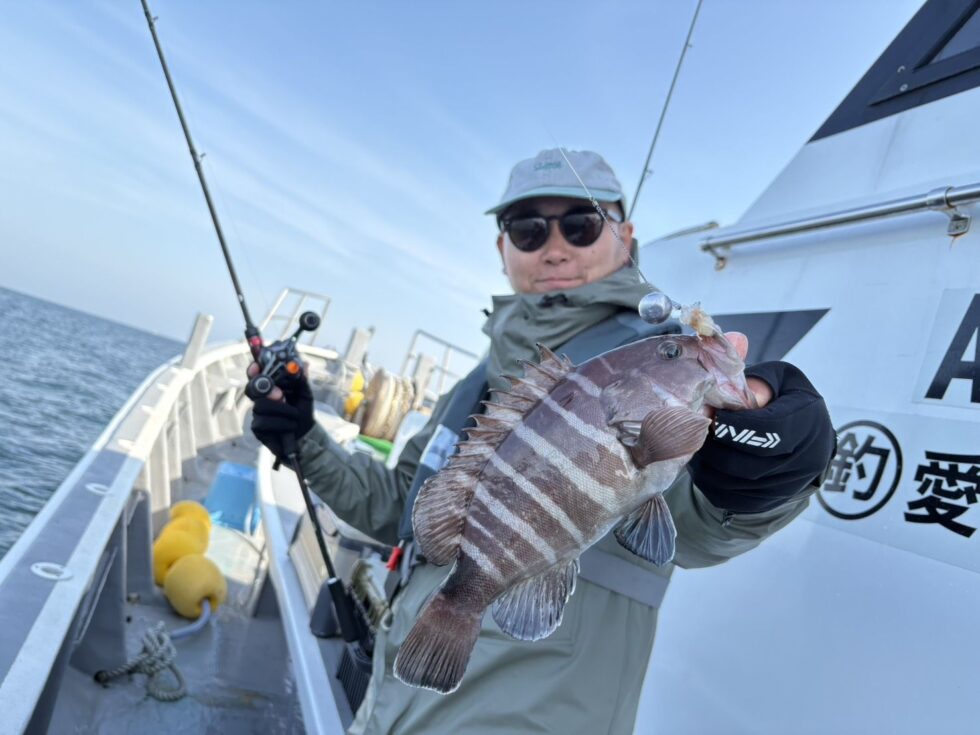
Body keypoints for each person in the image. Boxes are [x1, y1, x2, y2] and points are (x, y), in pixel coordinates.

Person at [249, 149, 835, 734]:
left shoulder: (653, 358)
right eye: (527, 230)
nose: (554, 248)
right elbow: (400, 507)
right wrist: (305, 440)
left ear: (625, 235)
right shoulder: (475, 382)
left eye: (580, 225)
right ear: (502, 248)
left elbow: (700, 527)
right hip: (387, 712)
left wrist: (773, 477)